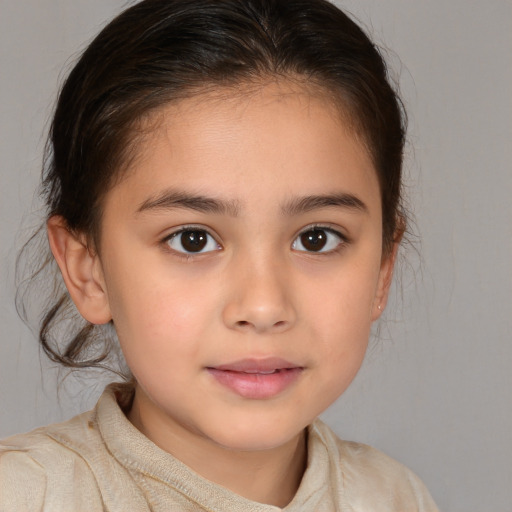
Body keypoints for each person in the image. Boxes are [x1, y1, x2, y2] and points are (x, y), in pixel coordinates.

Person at [0, 0, 439, 510]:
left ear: (382, 269)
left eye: (317, 238)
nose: (263, 307)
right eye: (192, 239)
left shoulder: (395, 497)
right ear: (88, 270)